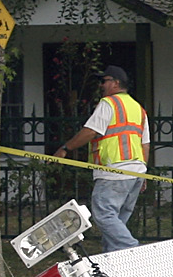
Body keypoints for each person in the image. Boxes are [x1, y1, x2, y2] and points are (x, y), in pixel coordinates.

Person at [53, 65, 148, 254]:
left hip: (114, 171)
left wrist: (65, 148)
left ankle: (134, 250)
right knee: (117, 222)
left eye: (104, 81)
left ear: (116, 83)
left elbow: (91, 131)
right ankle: (112, 260)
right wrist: (143, 173)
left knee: (104, 215)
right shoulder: (138, 108)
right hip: (135, 172)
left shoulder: (109, 104)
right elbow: (145, 143)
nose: (101, 85)